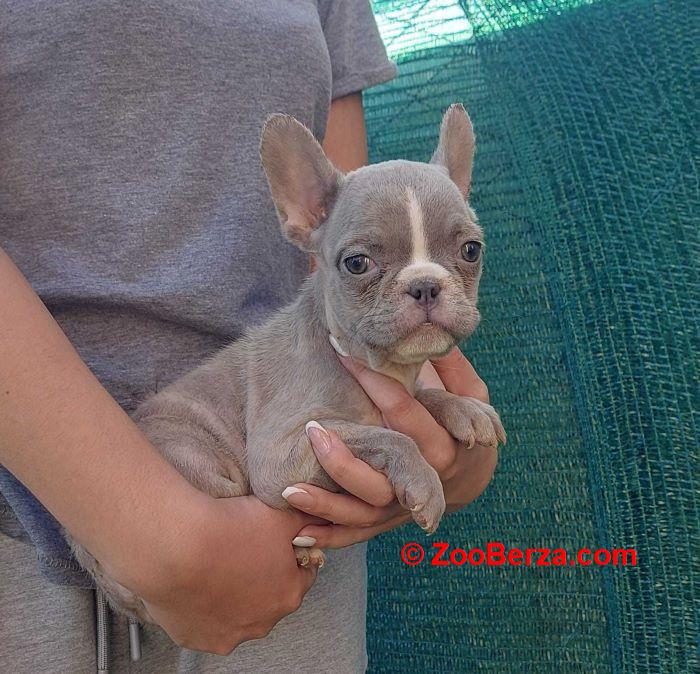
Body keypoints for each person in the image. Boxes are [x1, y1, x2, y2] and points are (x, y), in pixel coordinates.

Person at [0, 1, 498, 671]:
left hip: (288, 558)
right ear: (301, 210)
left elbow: (350, 267)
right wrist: (155, 538)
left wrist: (433, 421)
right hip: (31, 532)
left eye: (465, 252)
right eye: (364, 263)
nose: (431, 281)